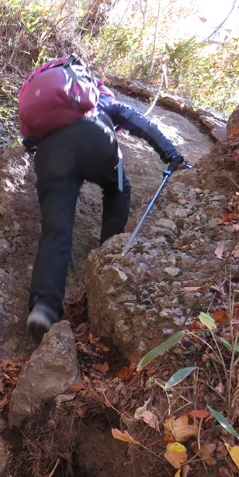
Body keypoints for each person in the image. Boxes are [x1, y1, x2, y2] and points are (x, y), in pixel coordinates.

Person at [23, 68, 187, 343]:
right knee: (117, 189)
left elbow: (30, 142)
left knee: (56, 231)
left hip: (51, 151)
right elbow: (138, 122)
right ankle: (109, 254)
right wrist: (172, 155)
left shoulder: (47, 108)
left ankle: (44, 307)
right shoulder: (101, 98)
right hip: (96, 137)